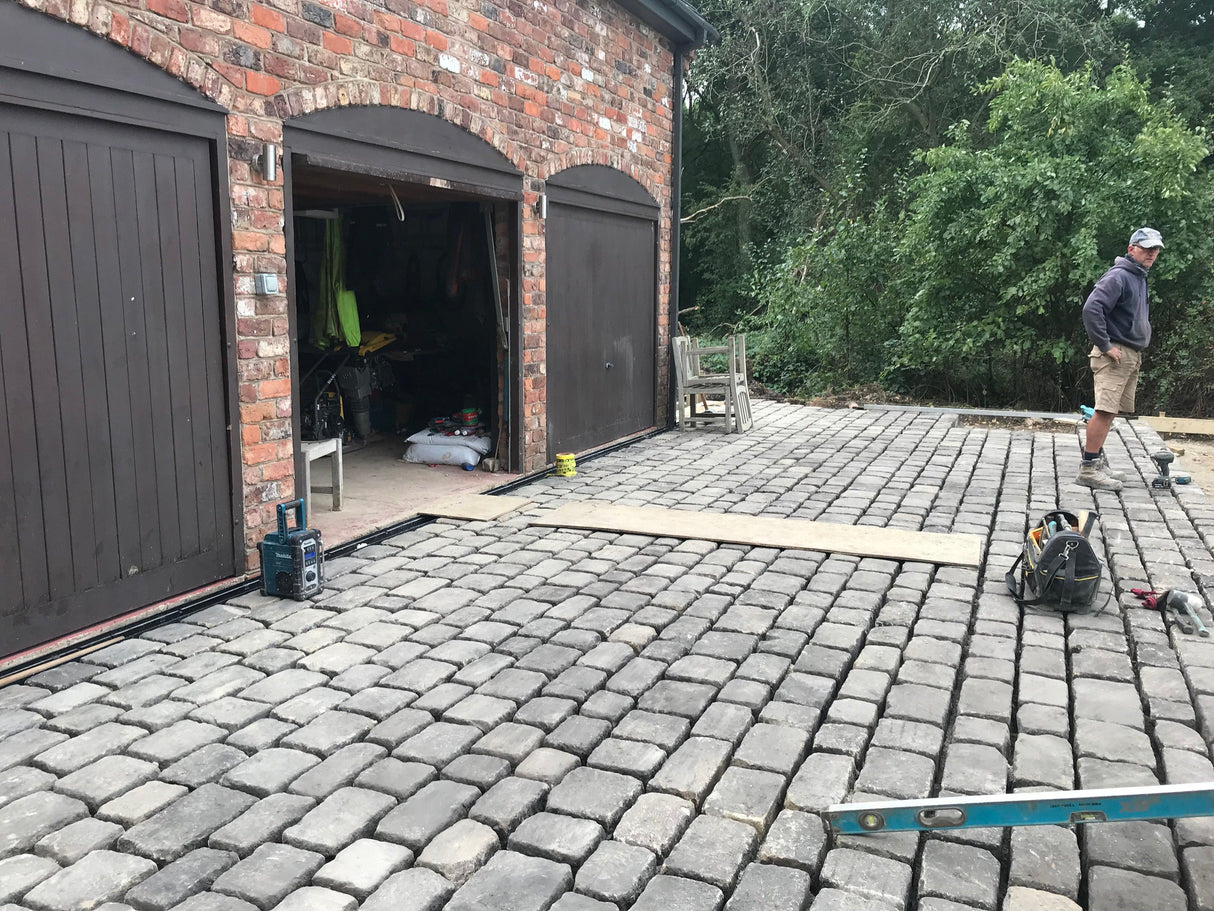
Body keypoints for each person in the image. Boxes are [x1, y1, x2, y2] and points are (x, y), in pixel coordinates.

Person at [1076, 227, 1164, 491]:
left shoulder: (1138, 276)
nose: (1152, 253)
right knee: (1104, 411)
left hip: (1129, 354)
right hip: (1115, 354)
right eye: (1146, 247)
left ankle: (1098, 461)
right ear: (1131, 249)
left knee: (1110, 411)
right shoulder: (1120, 276)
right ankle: (1089, 469)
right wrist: (1105, 345)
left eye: (1156, 248)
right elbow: (1092, 308)